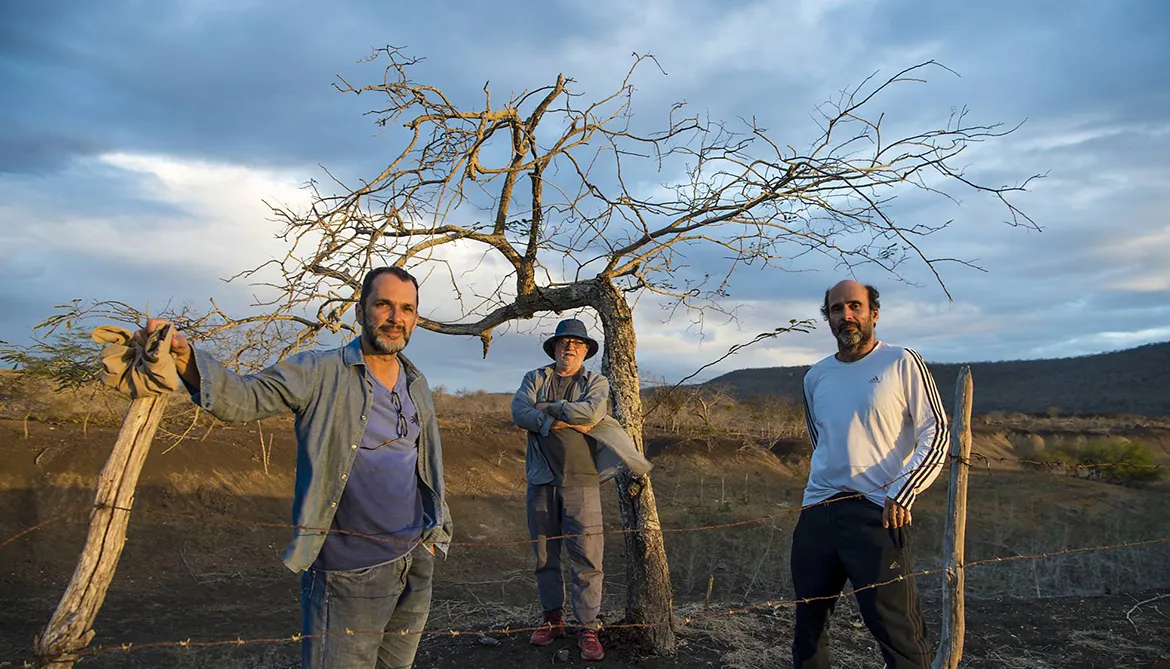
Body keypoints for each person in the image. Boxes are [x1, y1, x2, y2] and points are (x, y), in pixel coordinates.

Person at [140, 266, 452, 669]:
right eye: (384, 305)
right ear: (360, 312)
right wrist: (186, 359)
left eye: (407, 309)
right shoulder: (319, 372)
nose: (396, 318)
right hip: (347, 573)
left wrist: (433, 534)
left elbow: (427, 462)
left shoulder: (416, 382)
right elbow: (245, 397)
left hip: (412, 562)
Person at [791, 280, 948, 669]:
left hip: (878, 512)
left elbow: (937, 430)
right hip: (818, 512)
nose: (846, 315)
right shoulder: (815, 377)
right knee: (808, 628)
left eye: (855, 306)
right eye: (836, 309)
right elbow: (820, 439)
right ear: (827, 318)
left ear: (873, 313)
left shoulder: (901, 362)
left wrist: (903, 490)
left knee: (897, 632)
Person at [510, 318, 652, 662]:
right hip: (542, 481)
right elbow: (519, 412)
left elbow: (591, 411)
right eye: (563, 343)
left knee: (587, 558)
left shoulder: (596, 381)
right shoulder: (535, 378)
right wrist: (552, 419)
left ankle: (588, 627)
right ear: (555, 348)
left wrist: (547, 408)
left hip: (583, 481)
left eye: (576, 343)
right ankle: (553, 620)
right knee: (545, 557)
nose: (569, 347)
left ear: (586, 350)